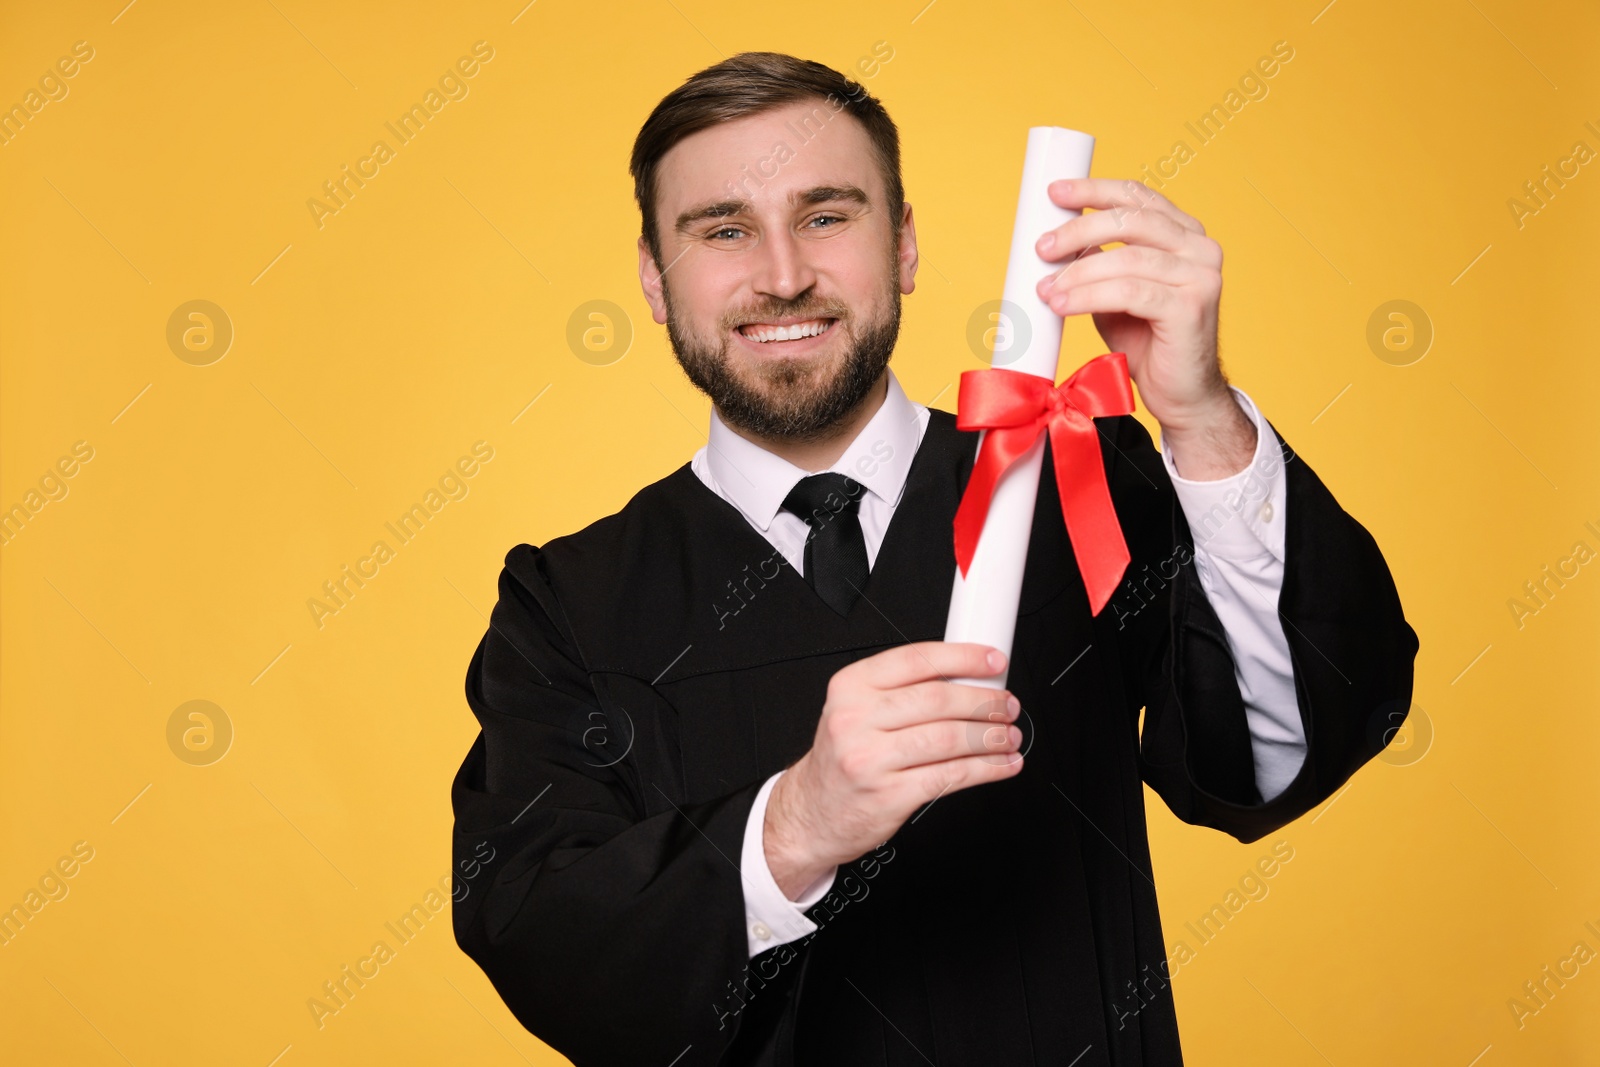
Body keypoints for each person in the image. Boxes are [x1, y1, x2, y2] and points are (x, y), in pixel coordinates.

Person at [449, 51, 1418, 1067]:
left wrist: (1200, 413)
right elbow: (544, 936)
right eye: (724, 230)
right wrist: (793, 825)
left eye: (827, 215)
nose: (783, 274)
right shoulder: (569, 605)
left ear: (904, 243)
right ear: (654, 275)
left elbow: (1279, 752)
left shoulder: (1081, 486)